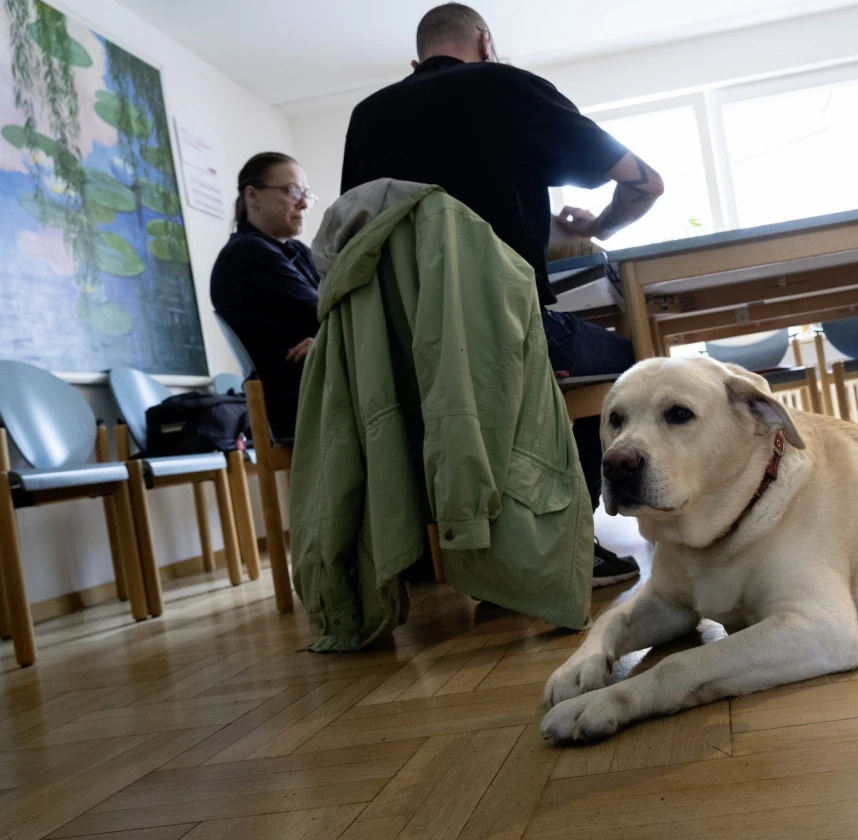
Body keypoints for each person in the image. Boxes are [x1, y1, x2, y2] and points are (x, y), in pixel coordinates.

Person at [341, 3, 665, 587]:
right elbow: (645, 182)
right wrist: (599, 229)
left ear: (417, 62)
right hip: (513, 333)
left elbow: (357, 241)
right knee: (624, 362)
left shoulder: (368, 117)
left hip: (404, 346)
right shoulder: (504, 86)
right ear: (485, 43)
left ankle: (462, 546)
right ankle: (572, 538)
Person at [210, 152, 320, 439]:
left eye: (306, 193)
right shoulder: (247, 254)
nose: (304, 203)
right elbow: (329, 312)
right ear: (252, 195)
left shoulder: (296, 252)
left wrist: (328, 338)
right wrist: (333, 337)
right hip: (302, 404)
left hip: (323, 390)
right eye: (291, 191)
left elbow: (345, 309)